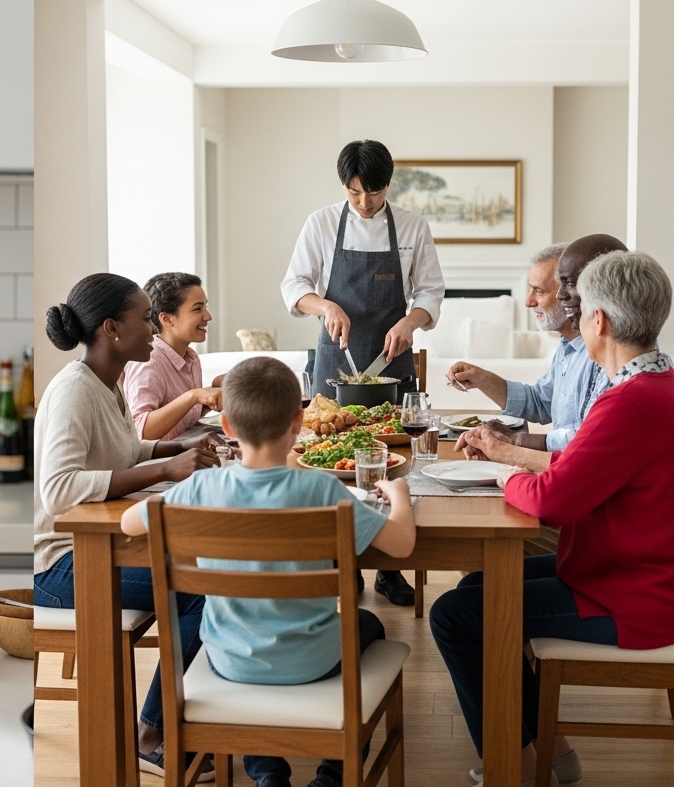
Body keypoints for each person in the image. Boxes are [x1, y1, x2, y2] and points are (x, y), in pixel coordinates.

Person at [431, 250, 674, 787]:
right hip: (631, 569)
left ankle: (510, 767)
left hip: (633, 593)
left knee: (453, 615)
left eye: (581, 306)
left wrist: (504, 476)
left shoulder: (627, 402)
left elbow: (555, 501)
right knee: (481, 584)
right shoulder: (657, 386)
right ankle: (548, 750)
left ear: (600, 321)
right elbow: (586, 466)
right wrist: (513, 459)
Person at [121, 357, 416, 787]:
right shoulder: (322, 489)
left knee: (251, 649)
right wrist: (400, 495)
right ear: (299, 421)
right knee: (368, 623)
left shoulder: (201, 489)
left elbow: (129, 524)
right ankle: (331, 777)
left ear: (225, 424)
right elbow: (401, 544)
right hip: (313, 660)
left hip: (230, 660)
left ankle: (269, 775)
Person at [34, 272, 219, 781]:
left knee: (206, 573)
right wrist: (163, 469)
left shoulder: (105, 382)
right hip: (60, 567)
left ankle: (194, 721)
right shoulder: (75, 390)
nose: (153, 332)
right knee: (202, 587)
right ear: (112, 329)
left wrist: (171, 449)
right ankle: (152, 733)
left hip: (100, 549)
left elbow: (120, 450)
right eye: (144, 320)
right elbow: (60, 490)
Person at [281, 138, 443, 606]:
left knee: (393, 463)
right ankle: (341, 563)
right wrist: (324, 304)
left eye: (373, 192)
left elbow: (430, 292)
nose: (364, 203)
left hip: (392, 359)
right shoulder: (322, 222)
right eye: (354, 193)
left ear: (388, 184)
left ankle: (390, 571)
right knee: (334, 464)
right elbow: (293, 285)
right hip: (337, 355)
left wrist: (412, 322)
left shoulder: (412, 226)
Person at [455, 234, 627, 474]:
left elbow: (586, 441)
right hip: (560, 473)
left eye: (539, 291)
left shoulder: (610, 353)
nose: (528, 301)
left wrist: (516, 443)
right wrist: (483, 379)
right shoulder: (568, 346)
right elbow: (541, 403)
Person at [123, 272, 223, 441]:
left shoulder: (190, 357)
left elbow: (182, 419)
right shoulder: (149, 362)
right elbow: (140, 432)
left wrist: (212, 395)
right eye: (198, 309)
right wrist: (194, 396)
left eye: (205, 307)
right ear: (167, 319)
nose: (208, 316)